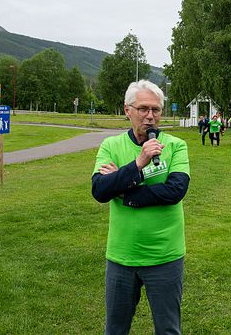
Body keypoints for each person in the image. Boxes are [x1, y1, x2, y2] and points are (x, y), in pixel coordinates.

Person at [91, 80, 190, 335]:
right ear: (127, 110)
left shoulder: (176, 145)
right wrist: (139, 163)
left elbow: (175, 191)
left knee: (168, 330)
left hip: (165, 255)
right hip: (122, 256)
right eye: (143, 108)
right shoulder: (111, 146)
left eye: (156, 110)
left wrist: (123, 190)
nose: (150, 116)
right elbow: (101, 190)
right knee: (115, 329)